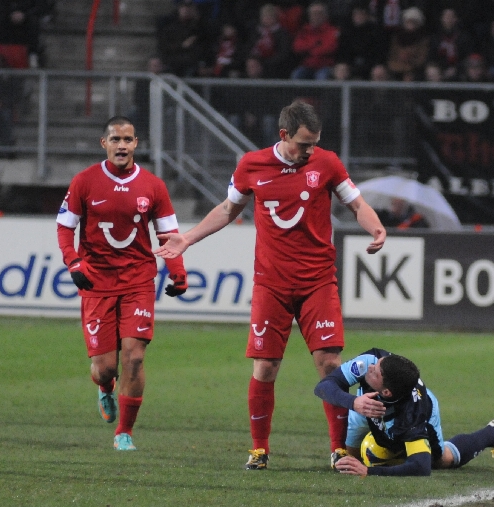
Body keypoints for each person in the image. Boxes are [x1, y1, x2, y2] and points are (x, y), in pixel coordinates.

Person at [153, 100, 387, 470]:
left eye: (315, 143)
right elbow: (228, 209)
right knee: (265, 367)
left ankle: (339, 448)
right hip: (271, 285)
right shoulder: (252, 164)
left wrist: (374, 226)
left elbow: (357, 204)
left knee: (330, 364)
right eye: (303, 144)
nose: (310, 151)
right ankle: (259, 449)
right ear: (284, 135)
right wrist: (187, 238)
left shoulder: (326, 163)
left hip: (317, 282)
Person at [56, 116, 189, 451]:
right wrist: (72, 261)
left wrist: (178, 272)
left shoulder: (153, 186)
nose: (122, 146)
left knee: (134, 357)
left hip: (138, 281)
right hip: (97, 282)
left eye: (127, 140)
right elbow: (64, 227)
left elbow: (169, 234)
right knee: (106, 368)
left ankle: (124, 432)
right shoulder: (84, 181)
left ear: (136, 144)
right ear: (105, 144)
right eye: (115, 140)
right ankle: (104, 387)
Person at [314, 348, 494, 476]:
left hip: (413, 415)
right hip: (364, 406)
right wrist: (354, 402)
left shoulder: (412, 416)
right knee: (352, 459)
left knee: (440, 461)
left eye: (375, 371)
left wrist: (369, 471)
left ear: (386, 391)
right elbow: (324, 387)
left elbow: (421, 467)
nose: (369, 368)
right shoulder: (373, 360)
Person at [289, 1, 340, 80]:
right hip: (307, 66)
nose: (316, 16)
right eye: (313, 13)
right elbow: (297, 47)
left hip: (325, 66)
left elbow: (330, 47)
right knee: (296, 74)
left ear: (325, 15)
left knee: (322, 77)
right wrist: (315, 45)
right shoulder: (304, 31)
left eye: (319, 13)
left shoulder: (332, 30)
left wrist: (311, 49)